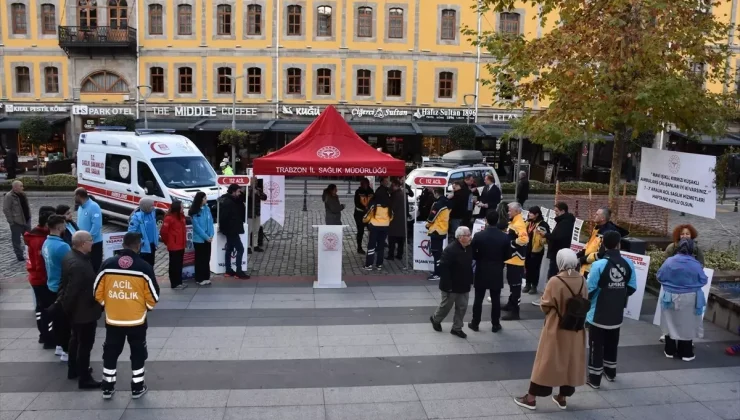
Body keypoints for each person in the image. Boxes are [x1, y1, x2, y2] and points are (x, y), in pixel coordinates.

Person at [513, 249, 587, 411]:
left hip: (556, 326)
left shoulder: (555, 280)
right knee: (570, 360)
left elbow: (545, 305)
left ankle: (531, 398)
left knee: (546, 361)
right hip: (576, 327)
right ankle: (562, 397)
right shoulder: (581, 279)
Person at [94, 232, 160, 400]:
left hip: (113, 319)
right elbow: (154, 296)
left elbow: (96, 291)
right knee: (138, 353)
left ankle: (107, 387)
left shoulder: (107, 264)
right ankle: (137, 387)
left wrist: (107, 306)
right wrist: (145, 309)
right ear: (138, 246)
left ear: (123, 244)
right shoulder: (144, 267)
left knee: (110, 352)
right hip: (136, 321)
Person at [585, 231, 637, 389]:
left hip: (598, 313)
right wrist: (617, 296)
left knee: (596, 345)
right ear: (619, 244)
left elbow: (590, 289)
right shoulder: (628, 263)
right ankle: (610, 372)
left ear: (603, 244)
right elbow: (632, 287)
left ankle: (594, 378)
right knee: (612, 343)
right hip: (616, 313)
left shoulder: (598, 264)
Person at [59, 231, 102, 389]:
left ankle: (74, 369)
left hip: (79, 311)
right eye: (91, 240)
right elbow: (72, 290)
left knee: (75, 340)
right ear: (83, 244)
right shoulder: (79, 264)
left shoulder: (71, 256)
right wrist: (68, 309)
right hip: (84, 312)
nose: (93, 242)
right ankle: (84, 377)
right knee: (85, 344)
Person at [657, 239, 708, 361]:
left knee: (670, 322)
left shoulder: (669, 261)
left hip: (669, 296)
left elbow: (659, 276)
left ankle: (669, 350)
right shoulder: (695, 264)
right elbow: (703, 280)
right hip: (690, 297)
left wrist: (669, 285)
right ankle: (685, 352)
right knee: (687, 324)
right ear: (692, 250)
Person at [469, 211, 512, 333]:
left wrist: (479, 258)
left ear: (486, 220)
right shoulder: (504, 236)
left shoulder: (478, 236)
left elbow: (473, 253)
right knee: (496, 299)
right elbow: (508, 255)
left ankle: (475, 322)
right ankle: (495, 324)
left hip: (482, 269)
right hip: (496, 270)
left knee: (478, 298)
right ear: (497, 220)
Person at [429, 226, 473, 339]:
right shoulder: (450, 250)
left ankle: (457, 328)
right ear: (460, 237)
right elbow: (444, 268)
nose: (470, 237)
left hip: (464, 284)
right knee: (446, 306)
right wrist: (447, 286)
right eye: (467, 235)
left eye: (469, 234)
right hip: (451, 285)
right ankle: (436, 319)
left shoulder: (469, 247)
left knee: (462, 307)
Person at [24, 206, 56, 348]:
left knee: (41, 308)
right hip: (41, 279)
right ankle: (48, 337)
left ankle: (44, 335)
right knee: (46, 309)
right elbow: (40, 264)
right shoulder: (40, 240)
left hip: (36, 278)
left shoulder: (34, 235)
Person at [42, 215, 72, 362]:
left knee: (58, 320)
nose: (66, 228)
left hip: (51, 285)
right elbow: (71, 265)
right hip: (61, 287)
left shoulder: (46, 243)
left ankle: (59, 346)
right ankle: (66, 350)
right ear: (59, 227)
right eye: (64, 225)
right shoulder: (62, 246)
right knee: (65, 322)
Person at [533, 202, 575, 306]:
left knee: (553, 275)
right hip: (557, 252)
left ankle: (549, 298)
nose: (555, 213)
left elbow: (558, 237)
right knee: (554, 275)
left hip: (558, 253)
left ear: (562, 211)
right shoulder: (564, 221)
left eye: (556, 211)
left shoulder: (565, 222)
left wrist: (545, 234)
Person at [578, 207, 629, 276]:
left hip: (593, 269)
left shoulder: (607, 233)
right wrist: (580, 254)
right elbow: (590, 243)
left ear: (603, 218)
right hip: (586, 266)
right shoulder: (597, 228)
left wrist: (582, 259)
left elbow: (601, 253)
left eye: (597, 214)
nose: (594, 216)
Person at [502, 202, 529, 321]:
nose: (508, 212)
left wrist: (512, 244)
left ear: (517, 211)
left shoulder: (518, 223)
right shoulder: (514, 221)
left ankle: (515, 312)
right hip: (512, 259)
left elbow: (524, 239)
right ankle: (510, 304)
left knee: (515, 286)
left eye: (510, 210)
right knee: (512, 283)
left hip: (516, 260)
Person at [219, 184, 249, 279]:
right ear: (233, 191)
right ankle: (238, 271)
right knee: (240, 249)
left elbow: (241, 202)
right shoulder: (229, 203)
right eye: (238, 191)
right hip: (232, 230)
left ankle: (228, 270)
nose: (240, 193)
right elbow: (225, 217)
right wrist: (226, 229)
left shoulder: (231, 200)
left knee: (229, 249)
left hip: (231, 229)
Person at [363, 178, 393, 270]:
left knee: (371, 245)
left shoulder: (374, 204)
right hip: (385, 226)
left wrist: (364, 220)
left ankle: (369, 264)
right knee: (381, 246)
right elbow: (392, 216)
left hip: (374, 226)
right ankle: (379, 265)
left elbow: (367, 216)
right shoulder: (389, 205)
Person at [160, 200, 188, 290]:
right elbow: (164, 232)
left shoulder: (182, 216)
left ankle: (179, 282)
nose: (183, 208)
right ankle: (174, 283)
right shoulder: (169, 218)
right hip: (174, 245)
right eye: (182, 206)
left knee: (179, 264)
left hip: (181, 244)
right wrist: (168, 242)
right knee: (174, 265)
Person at [523, 206, 550, 295]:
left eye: (531, 213)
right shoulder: (528, 222)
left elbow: (546, 237)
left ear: (537, 214)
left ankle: (534, 286)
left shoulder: (543, 224)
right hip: (527, 248)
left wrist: (541, 242)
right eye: (529, 212)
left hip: (537, 250)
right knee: (527, 267)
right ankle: (527, 284)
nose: (529, 214)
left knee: (534, 268)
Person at [75, 188, 103, 272]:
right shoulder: (80, 207)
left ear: (79, 196)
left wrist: (88, 240)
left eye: (74, 196)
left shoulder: (94, 206)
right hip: (83, 243)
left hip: (94, 243)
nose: (74, 199)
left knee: (94, 267)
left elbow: (97, 225)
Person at [425, 187, 450, 281]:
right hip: (443, 229)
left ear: (436, 193)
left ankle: (437, 273)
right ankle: (439, 271)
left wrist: (427, 225)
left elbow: (431, 217)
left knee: (436, 253)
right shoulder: (447, 202)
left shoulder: (438, 204)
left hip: (436, 230)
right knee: (439, 252)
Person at [189, 192, 214, 286]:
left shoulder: (207, 209)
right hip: (199, 239)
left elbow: (211, 222)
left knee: (207, 258)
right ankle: (199, 278)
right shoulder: (195, 212)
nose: (206, 200)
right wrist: (206, 237)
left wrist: (211, 235)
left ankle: (206, 277)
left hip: (208, 239)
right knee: (200, 259)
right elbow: (197, 227)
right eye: (204, 198)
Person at [3, 180, 31, 261]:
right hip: (16, 222)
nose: (23, 188)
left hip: (26, 220)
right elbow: (6, 209)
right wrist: (11, 221)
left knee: (29, 238)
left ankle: (29, 253)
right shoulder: (9, 196)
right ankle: (19, 255)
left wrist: (29, 217)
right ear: (15, 187)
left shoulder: (23, 194)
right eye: (21, 186)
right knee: (16, 240)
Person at [127, 198, 159, 267]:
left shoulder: (152, 213)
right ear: (146, 206)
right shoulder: (136, 217)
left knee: (151, 264)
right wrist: (141, 241)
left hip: (152, 245)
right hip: (142, 247)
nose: (153, 207)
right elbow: (131, 233)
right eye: (151, 206)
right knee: (143, 265)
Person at [387, 179, 406, 261]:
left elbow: (392, 207)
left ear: (397, 186)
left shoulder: (395, 195)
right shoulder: (402, 194)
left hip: (395, 220)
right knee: (400, 240)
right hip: (401, 220)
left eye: (393, 185)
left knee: (392, 239)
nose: (391, 186)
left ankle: (391, 255)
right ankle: (399, 254)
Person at [247, 176, 267, 253]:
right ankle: (248, 246)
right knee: (249, 230)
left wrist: (258, 193)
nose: (254, 183)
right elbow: (246, 197)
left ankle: (255, 245)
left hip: (257, 213)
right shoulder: (247, 189)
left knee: (256, 230)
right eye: (253, 181)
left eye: (255, 181)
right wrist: (251, 191)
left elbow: (264, 197)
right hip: (250, 213)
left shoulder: (258, 189)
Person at [354, 178, 374, 254]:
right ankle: (359, 247)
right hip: (359, 214)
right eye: (363, 184)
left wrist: (370, 208)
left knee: (372, 230)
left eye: (366, 184)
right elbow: (356, 203)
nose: (364, 185)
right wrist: (364, 208)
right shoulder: (358, 192)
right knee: (360, 231)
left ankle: (371, 246)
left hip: (369, 214)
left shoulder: (371, 191)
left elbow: (373, 200)